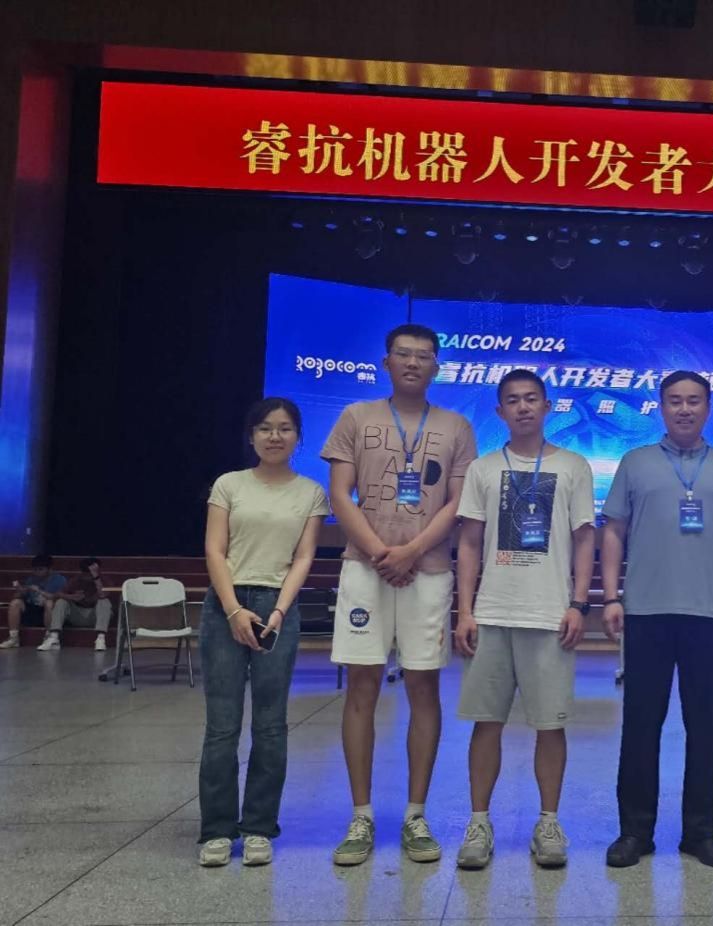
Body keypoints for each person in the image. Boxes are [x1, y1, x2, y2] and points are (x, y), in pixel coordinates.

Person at [323, 323, 477, 867]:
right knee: (361, 687)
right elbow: (339, 494)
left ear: (437, 366)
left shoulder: (456, 426)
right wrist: (378, 552)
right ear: (386, 362)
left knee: (423, 688)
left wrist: (410, 551)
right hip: (364, 570)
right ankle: (361, 816)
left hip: (428, 571)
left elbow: (457, 503)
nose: (413, 362)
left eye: (424, 356)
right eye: (403, 354)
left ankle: (416, 815)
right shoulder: (355, 416)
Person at [601, 370, 713, 870]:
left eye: (694, 401)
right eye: (675, 400)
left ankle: (701, 833)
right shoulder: (635, 462)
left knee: (706, 728)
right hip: (646, 611)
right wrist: (611, 596)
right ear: (661, 406)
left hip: (711, 614)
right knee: (640, 725)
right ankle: (635, 832)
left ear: (708, 408)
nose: (685, 409)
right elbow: (614, 531)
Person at [452, 370, 595, 870]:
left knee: (550, 726)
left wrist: (579, 603)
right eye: (512, 400)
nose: (523, 407)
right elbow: (470, 543)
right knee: (485, 722)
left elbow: (584, 538)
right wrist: (465, 610)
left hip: (550, 615)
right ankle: (478, 822)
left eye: (532, 398)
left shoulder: (573, 466)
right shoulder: (483, 469)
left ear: (547, 405)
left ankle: (549, 822)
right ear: (500, 411)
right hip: (492, 613)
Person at [197, 397, 328, 868]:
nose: (275, 436)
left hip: (278, 608)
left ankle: (257, 827)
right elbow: (215, 550)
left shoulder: (311, 492)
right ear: (251, 435)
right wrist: (233, 610)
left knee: (270, 725)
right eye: (266, 428)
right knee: (222, 726)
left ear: (298, 437)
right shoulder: (229, 484)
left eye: (285, 428)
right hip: (225, 605)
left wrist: (278, 611)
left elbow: (304, 557)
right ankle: (216, 830)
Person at [37, 557, 113, 652]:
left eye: (90, 574)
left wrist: (96, 577)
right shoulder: (76, 580)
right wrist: (72, 597)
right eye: (86, 574)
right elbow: (58, 594)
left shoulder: (104, 580)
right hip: (77, 615)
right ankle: (54, 638)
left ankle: (100, 638)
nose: (87, 577)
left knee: (104, 601)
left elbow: (102, 595)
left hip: (96, 616)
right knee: (61, 602)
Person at [2, 555, 66, 649]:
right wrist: (20, 591)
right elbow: (18, 596)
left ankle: (50, 637)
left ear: (50, 569)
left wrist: (39, 591)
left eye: (40, 569)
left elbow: (56, 597)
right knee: (15, 603)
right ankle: (13, 638)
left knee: (49, 603)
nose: (37, 572)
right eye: (35, 569)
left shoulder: (59, 580)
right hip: (33, 610)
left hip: (50, 612)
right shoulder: (31, 579)